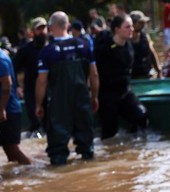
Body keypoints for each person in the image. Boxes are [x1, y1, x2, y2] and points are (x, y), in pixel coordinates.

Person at [36, 11, 99, 165]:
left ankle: (59, 177)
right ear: (68, 26)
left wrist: (38, 104)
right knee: (87, 145)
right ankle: (90, 174)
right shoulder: (84, 46)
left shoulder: (48, 51)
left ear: (50, 28)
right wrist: (94, 97)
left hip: (59, 104)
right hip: (82, 99)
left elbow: (42, 82)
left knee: (57, 150)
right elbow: (94, 75)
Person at [0, 28, 32, 165]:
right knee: (8, 149)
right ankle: (19, 179)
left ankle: (32, 170)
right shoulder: (0, 57)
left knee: (13, 149)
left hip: (8, 111)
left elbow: (7, 84)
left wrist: (2, 109)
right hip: (7, 110)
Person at [94, 15, 149, 139]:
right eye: (127, 27)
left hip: (125, 93)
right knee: (110, 132)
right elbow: (93, 72)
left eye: (132, 26)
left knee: (141, 116)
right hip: (107, 95)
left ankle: (134, 146)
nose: (132, 29)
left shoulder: (129, 46)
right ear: (117, 29)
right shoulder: (104, 49)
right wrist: (92, 94)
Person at [14, 16, 49, 137]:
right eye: (39, 29)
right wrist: (17, 87)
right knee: (35, 122)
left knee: (50, 123)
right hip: (31, 91)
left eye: (44, 28)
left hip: (49, 90)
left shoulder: (52, 47)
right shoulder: (25, 50)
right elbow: (13, 69)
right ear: (33, 31)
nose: (42, 31)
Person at [130, 10, 162, 79]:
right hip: (131, 76)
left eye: (144, 23)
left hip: (146, 74)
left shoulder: (145, 37)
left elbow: (152, 53)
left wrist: (158, 70)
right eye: (140, 23)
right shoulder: (125, 38)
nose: (143, 25)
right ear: (132, 23)